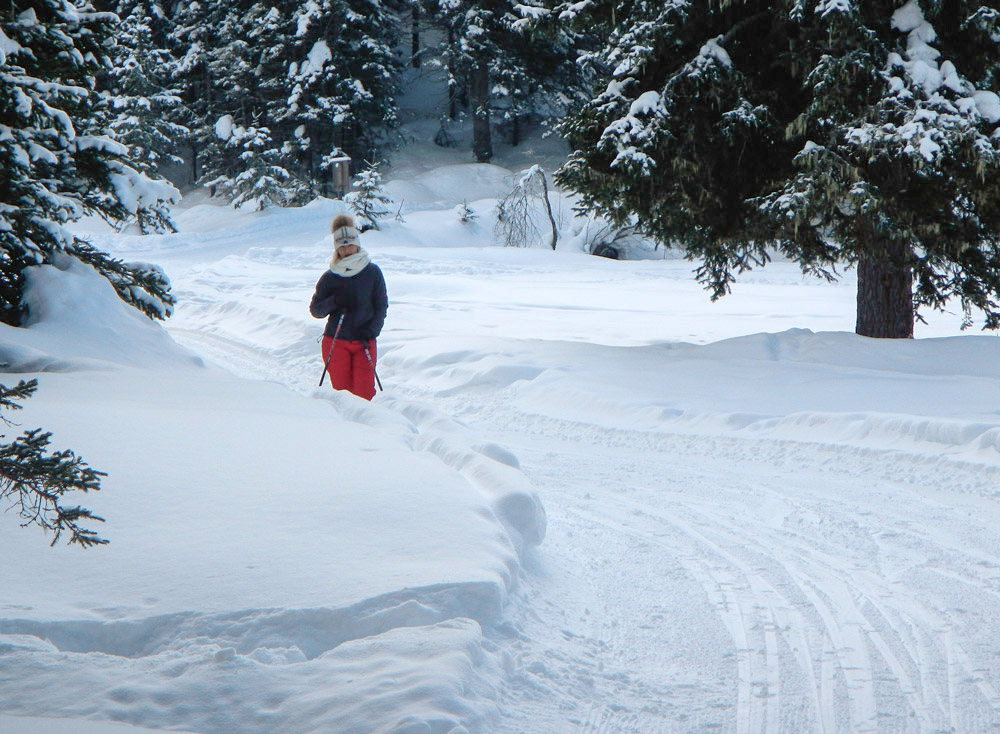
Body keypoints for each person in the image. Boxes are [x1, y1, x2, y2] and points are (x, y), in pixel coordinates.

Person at [310, 214, 387, 400]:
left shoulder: (372, 272)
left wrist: (372, 330)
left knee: (365, 393)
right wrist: (335, 301)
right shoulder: (330, 277)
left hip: (364, 340)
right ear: (337, 249)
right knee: (343, 394)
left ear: (358, 244)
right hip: (336, 341)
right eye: (342, 246)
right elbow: (316, 310)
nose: (347, 250)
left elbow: (381, 305)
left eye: (350, 244)